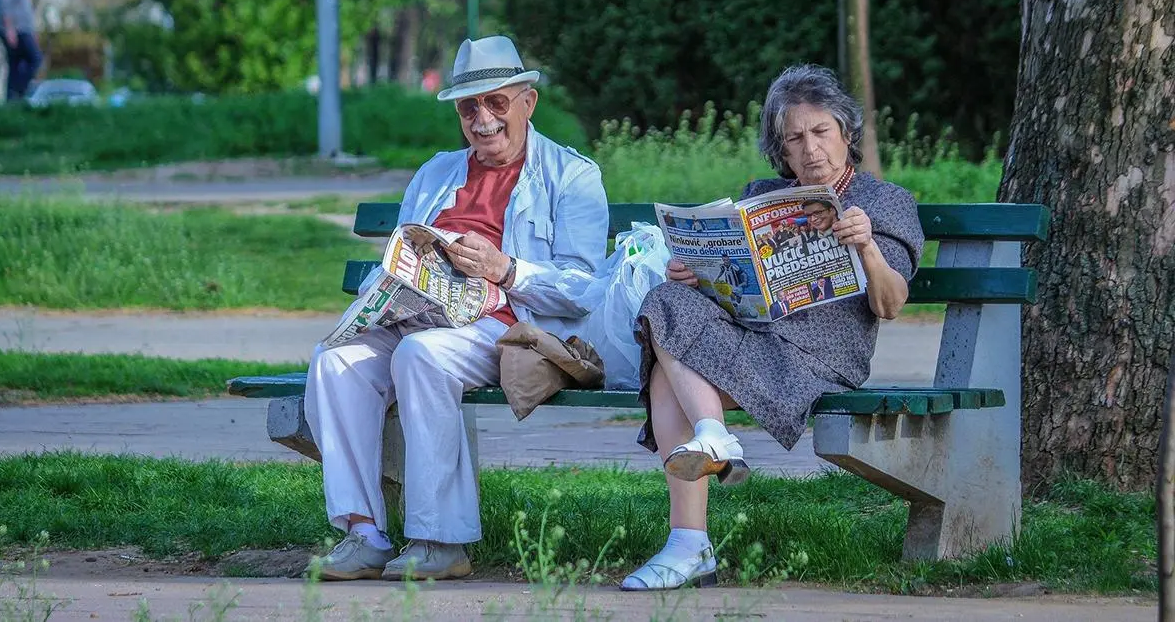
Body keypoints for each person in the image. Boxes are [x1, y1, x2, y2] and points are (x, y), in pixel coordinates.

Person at [304, 36, 609, 582]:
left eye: (497, 102)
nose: (483, 118)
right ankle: (364, 533)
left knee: (423, 356)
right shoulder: (435, 172)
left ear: (527, 103)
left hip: (508, 326)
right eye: (469, 107)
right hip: (423, 316)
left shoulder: (572, 175)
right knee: (335, 361)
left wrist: (505, 269)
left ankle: (441, 541)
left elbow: (585, 290)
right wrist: (389, 288)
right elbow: (401, 251)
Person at [621, 64, 924, 591]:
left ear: (846, 133)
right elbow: (733, 286)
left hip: (819, 359)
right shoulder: (763, 195)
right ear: (781, 152)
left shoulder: (883, 202)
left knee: (665, 375)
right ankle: (712, 443)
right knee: (666, 300)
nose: (811, 149)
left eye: (820, 132)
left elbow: (892, 303)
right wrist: (698, 274)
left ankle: (689, 541)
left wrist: (868, 247)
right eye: (794, 139)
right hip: (753, 341)